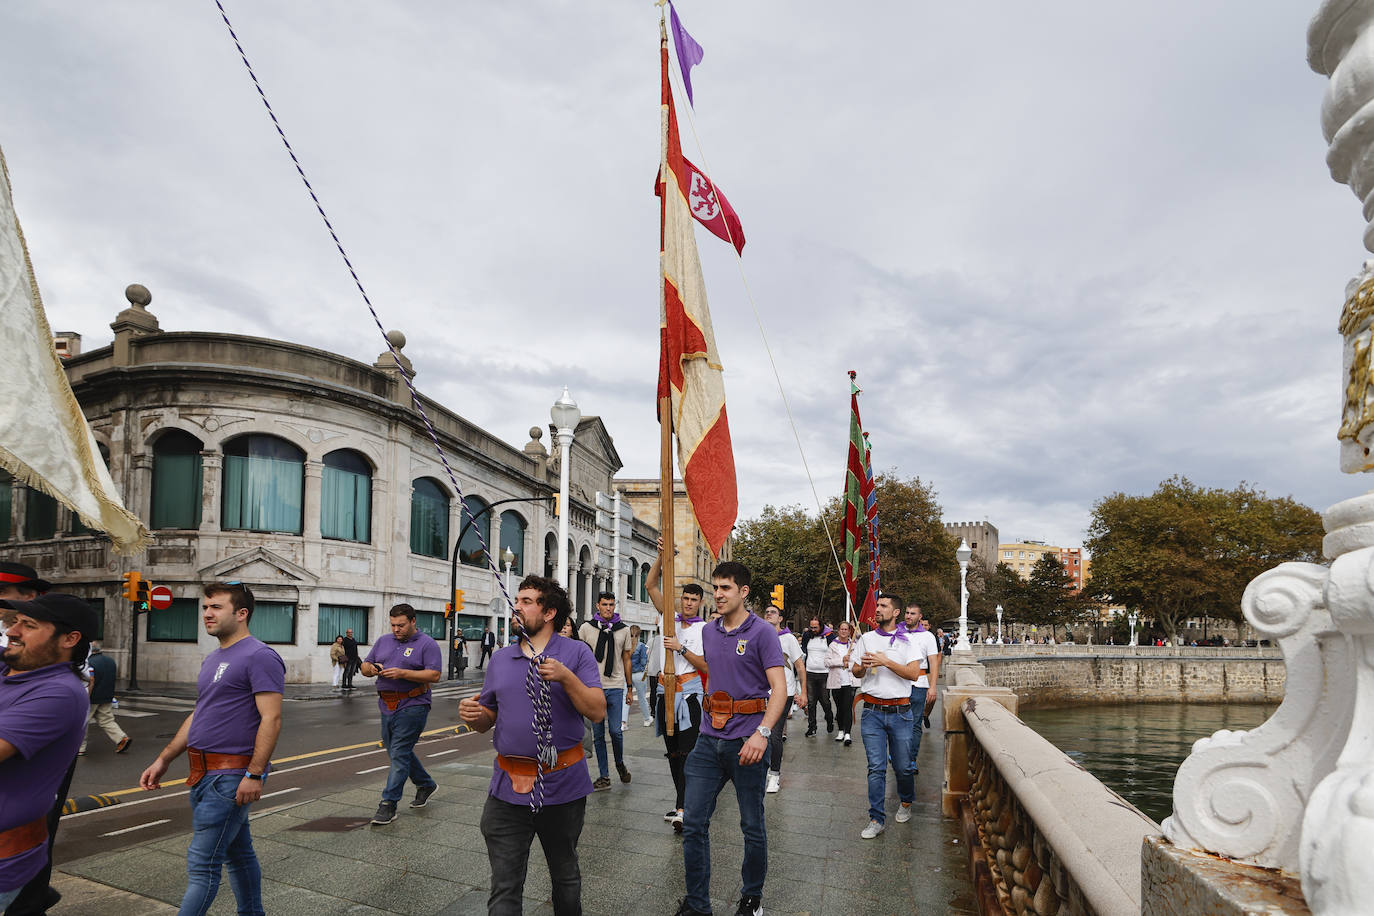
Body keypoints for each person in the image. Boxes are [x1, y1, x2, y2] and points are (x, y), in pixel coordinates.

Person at [458, 575, 603, 915]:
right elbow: (486, 719)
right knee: (504, 886)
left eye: (526, 601)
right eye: (517, 600)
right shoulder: (501, 659)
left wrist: (566, 677)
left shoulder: (576, 652)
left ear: (549, 611)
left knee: (565, 877)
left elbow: (596, 711)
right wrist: (474, 715)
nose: (516, 606)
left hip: (562, 786)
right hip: (506, 790)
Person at [139, 581, 285, 916]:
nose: (207, 613)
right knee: (238, 854)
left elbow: (272, 718)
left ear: (242, 613)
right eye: (205, 607)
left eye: (216, 607)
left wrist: (254, 773)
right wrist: (164, 759)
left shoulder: (260, 656)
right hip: (202, 774)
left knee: (202, 865)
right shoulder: (213, 658)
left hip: (230, 777)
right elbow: (200, 714)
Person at [674, 562, 786, 916]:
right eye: (716, 588)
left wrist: (762, 734)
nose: (718, 594)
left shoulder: (763, 633)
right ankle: (697, 905)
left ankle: (752, 899)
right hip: (708, 739)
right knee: (693, 823)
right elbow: (713, 668)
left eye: (725, 588)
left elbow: (779, 691)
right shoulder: (709, 631)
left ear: (743, 592)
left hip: (747, 741)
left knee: (751, 825)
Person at [0, 594, 95, 913]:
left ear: (70, 639)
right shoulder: (11, 667)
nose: (12, 631)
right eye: (14, 622)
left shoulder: (58, 693)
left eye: (28, 625)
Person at [358, 604, 442, 825]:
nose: (396, 629)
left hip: (414, 703)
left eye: (401, 625)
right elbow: (364, 666)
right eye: (393, 625)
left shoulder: (427, 644)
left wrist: (403, 673)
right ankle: (425, 784)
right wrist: (371, 668)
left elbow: (434, 675)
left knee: (399, 751)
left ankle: (388, 804)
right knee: (397, 751)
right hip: (387, 705)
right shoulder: (383, 641)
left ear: (413, 621)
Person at [851, 592, 925, 839]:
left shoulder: (908, 641)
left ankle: (906, 801)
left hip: (901, 713)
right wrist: (862, 666)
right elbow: (857, 672)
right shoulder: (866, 638)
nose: (877, 609)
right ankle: (876, 818)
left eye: (883, 606)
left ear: (895, 613)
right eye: (877, 605)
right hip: (871, 712)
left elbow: (914, 674)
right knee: (876, 767)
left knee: (903, 767)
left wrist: (885, 662)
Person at [645, 545, 707, 832]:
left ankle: (685, 806)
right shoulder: (667, 616)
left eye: (694, 600)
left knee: (687, 753)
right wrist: (661, 556)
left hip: (690, 694)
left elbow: (707, 667)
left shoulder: (705, 629)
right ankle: (682, 803)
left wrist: (680, 648)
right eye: (686, 598)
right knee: (671, 753)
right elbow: (650, 584)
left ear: (700, 603)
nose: (688, 603)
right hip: (664, 692)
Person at [577, 592, 634, 790]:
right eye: (605, 604)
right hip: (594, 687)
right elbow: (579, 657)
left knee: (616, 732)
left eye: (611, 604)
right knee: (598, 736)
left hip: (616, 686)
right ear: (597, 605)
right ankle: (604, 776)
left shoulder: (623, 630)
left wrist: (629, 688)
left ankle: (619, 762)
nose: (608, 608)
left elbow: (627, 659)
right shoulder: (586, 628)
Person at [762, 606, 806, 795]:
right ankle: (762, 769)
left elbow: (800, 667)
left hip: (783, 693)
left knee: (774, 734)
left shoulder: (788, 639)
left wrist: (803, 692)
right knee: (760, 733)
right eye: (766, 612)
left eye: (773, 612)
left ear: (780, 618)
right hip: (760, 692)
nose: (768, 614)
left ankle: (775, 775)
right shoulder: (760, 636)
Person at [902, 604, 941, 775]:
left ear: (920, 616)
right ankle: (898, 753)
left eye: (913, 614)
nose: (909, 616)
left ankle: (911, 759)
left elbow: (933, 662)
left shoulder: (928, 637)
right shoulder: (898, 632)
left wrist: (933, 687)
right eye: (907, 613)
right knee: (897, 721)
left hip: (919, 683)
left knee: (915, 723)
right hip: (899, 683)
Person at [79, 641, 130, 756]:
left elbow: (90, 681)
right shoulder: (110, 661)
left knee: (83, 722)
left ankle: (80, 748)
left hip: (92, 697)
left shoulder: (90, 663)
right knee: (107, 720)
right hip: (106, 696)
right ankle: (121, 738)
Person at [824, 620, 858, 746]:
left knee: (847, 707)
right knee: (839, 708)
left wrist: (848, 663)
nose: (844, 631)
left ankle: (848, 733)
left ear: (849, 631)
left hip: (850, 681)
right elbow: (827, 662)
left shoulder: (854, 645)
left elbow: (856, 662)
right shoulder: (833, 645)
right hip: (836, 682)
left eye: (846, 629)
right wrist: (840, 661)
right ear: (838, 631)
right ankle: (841, 730)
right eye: (842, 629)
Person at [799, 616, 834, 737]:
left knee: (825, 701)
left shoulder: (829, 636)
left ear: (821, 626)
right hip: (810, 673)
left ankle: (829, 719)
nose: (813, 629)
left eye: (815, 627)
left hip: (824, 674)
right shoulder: (807, 635)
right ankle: (812, 727)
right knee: (811, 702)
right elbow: (803, 649)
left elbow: (834, 650)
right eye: (811, 627)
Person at [629, 626, 653, 728]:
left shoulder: (626, 646)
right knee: (642, 697)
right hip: (640, 674)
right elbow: (643, 662)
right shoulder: (642, 646)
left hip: (628, 674)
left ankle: (623, 722)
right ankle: (647, 719)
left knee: (626, 699)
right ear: (639, 635)